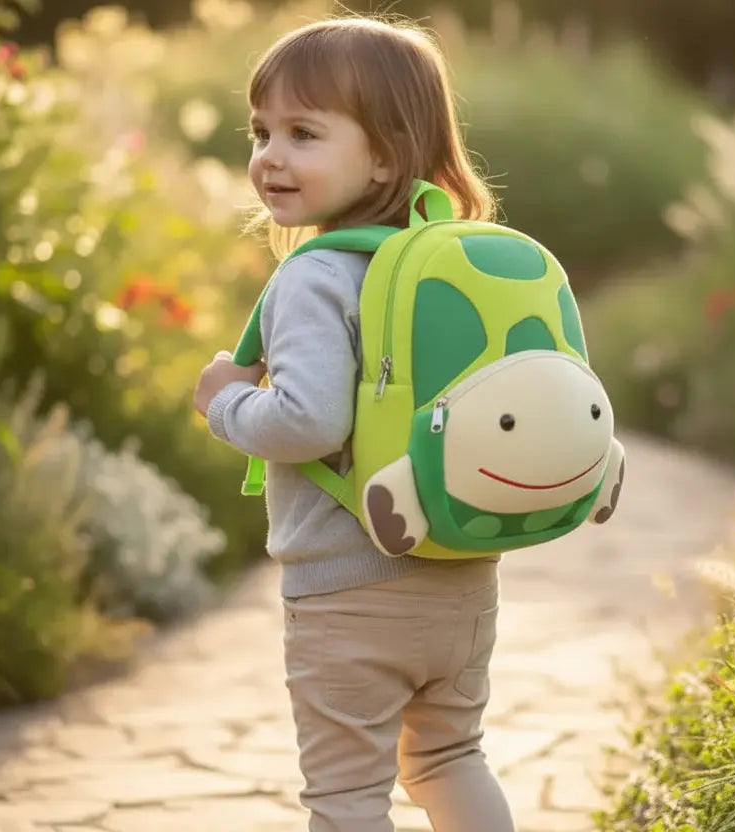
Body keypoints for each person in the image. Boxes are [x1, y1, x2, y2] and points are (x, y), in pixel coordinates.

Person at [193, 15, 515, 832]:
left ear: (386, 155)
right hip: (461, 574)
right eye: (261, 132)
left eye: (304, 133)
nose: (271, 156)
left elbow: (308, 421)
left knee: (345, 800)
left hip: (349, 591)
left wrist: (224, 404)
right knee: (450, 759)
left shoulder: (317, 276)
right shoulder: (454, 262)